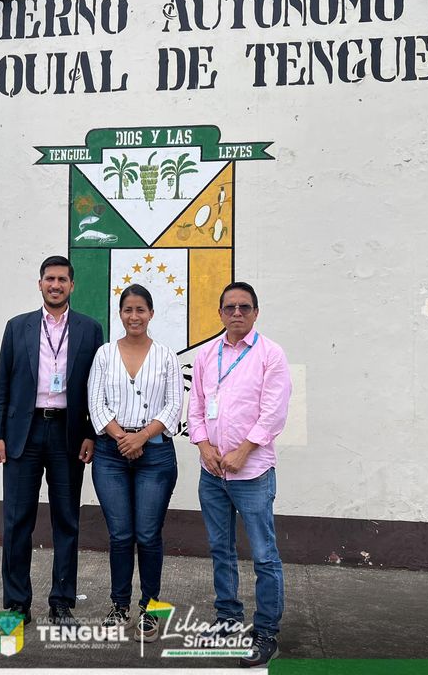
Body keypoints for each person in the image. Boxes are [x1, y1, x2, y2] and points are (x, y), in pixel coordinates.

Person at [0, 255, 104, 626]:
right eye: (49, 279)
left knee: (66, 521)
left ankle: (61, 603)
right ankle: (17, 603)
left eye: (62, 280)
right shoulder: (17, 327)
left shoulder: (90, 329)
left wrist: (91, 433)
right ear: (40, 284)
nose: (55, 285)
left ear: (72, 285)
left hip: (68, 434)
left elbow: (96, 388)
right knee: (16, 520)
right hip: (23, 434)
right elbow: (2, 383)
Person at [187, 281, 292, 668]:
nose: (236, 313)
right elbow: (196, 408)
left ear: (255, 313)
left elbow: (274, 413)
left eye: (244, 307)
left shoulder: (270, 355)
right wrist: (205, 447)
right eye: (229, 307)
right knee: (221, 549)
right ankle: (228, 619)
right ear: (219, 313)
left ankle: (265, 632)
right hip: (212, 473)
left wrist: (243, 451)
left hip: (252, 474)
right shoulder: (206, 355)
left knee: (264, 555)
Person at [87, 284, 182, 642]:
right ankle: (119, 605)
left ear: (151, 314)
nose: (134, 316)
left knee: (148, 534)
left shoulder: (166, 356)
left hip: (154, 455)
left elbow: (174, 405)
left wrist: (141, 437)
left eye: (141, 309)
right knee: (121, 534)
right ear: (120, 314)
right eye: (128, 309)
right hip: (111, 455)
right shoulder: (104, 354)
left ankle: (150, 607)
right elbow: (95, 403)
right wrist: (121, 437)